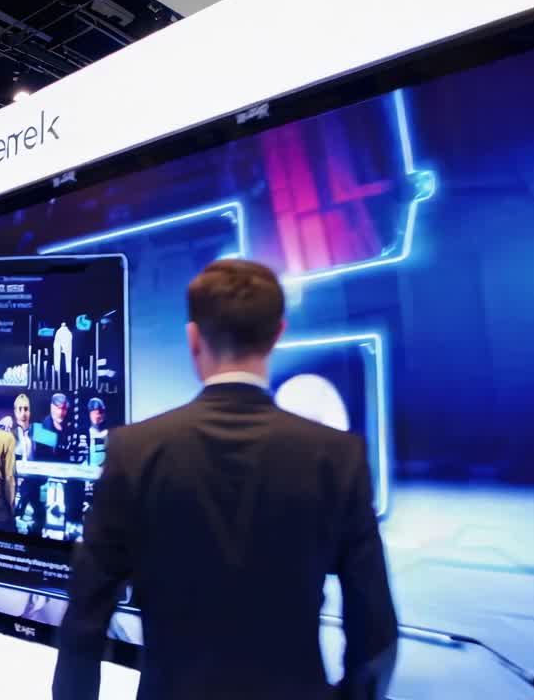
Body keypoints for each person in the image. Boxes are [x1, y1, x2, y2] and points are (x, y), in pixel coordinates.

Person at [52, 260, 398, 700]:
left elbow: (84, 621)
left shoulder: (132, 451)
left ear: (193, 339)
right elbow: (375, 632)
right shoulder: (338, 457)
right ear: (277, 334)